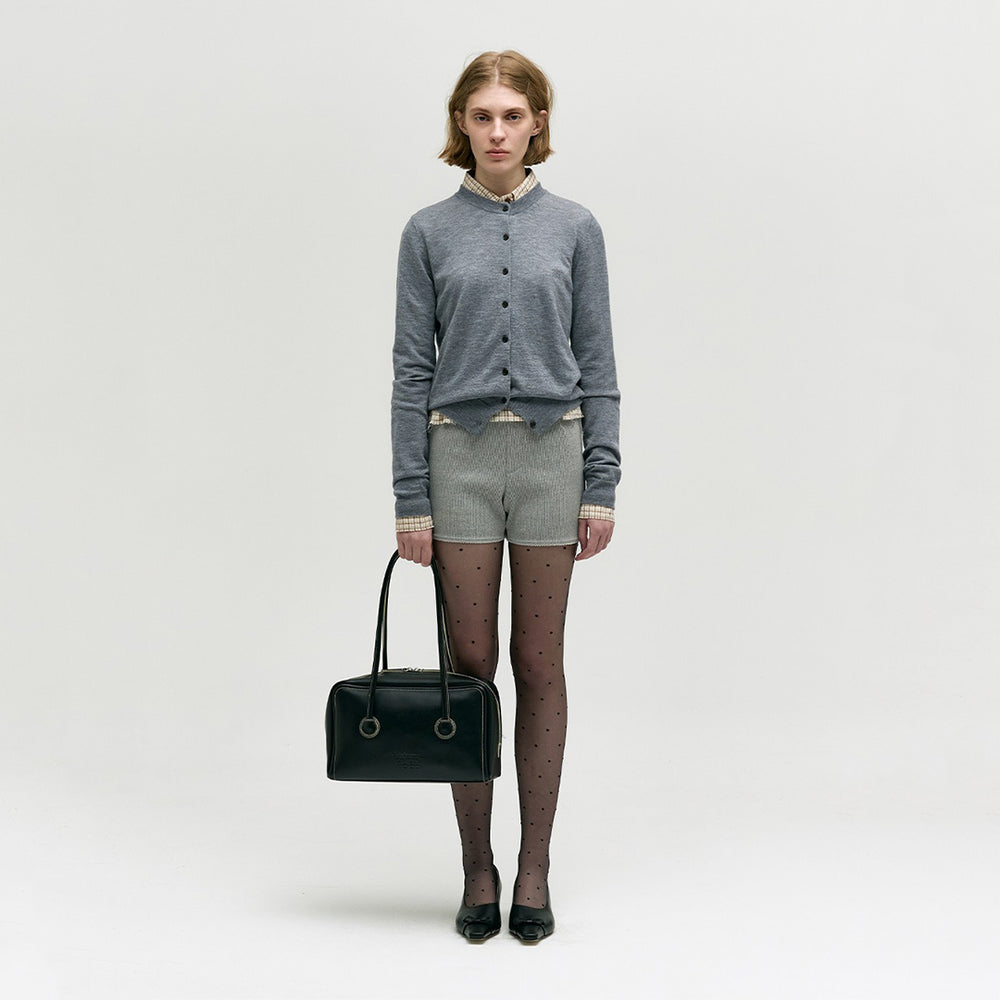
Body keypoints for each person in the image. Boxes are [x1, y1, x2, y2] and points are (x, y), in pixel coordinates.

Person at [390, 49, 621, 943]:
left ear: (537, 125)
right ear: (461, 124)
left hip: (554, 459)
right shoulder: (426, 231)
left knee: (539, 663)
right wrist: (411, 496)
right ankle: (476, 867)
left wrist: (601, 480)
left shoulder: (575, 227)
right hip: (459, 464)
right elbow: (411, 370)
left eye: (512, 117)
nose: (497, 132)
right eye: (482, 116)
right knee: (469, 666)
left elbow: (597, 359)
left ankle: (534, 867)